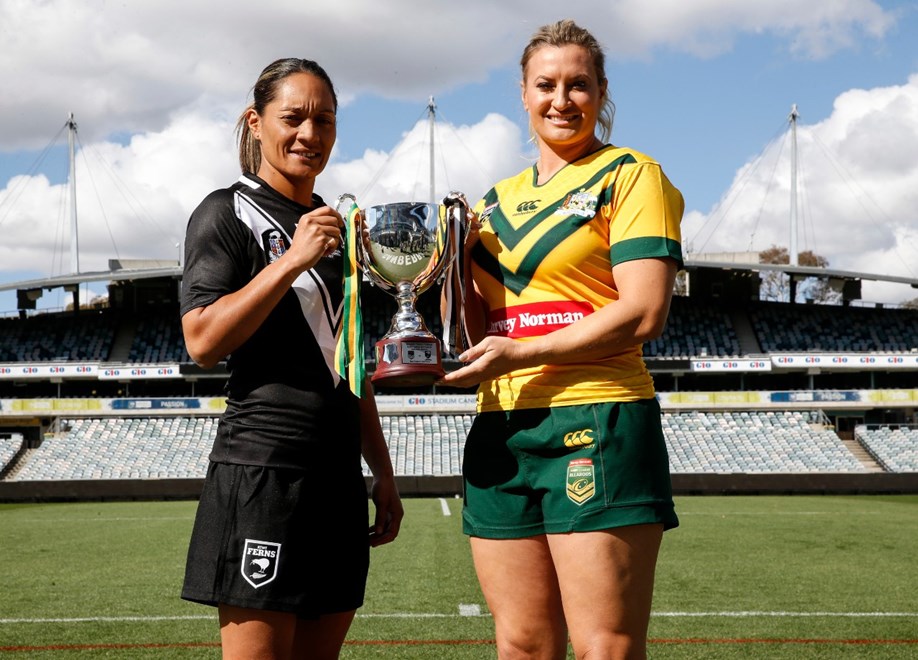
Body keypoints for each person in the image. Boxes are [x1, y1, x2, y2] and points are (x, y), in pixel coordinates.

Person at [439, 19, 684, 660]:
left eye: (579, 85)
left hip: (598, 415)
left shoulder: (630, 175)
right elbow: (474, 329)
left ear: (601, 92)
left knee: (605, 645)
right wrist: (451, 263)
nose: (561, 99)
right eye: (546, 84)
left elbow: (644, 311)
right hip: (500, 426)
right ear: (523, 94)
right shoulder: (493, 203)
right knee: (522, 644)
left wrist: (524, 353)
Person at [179, 58, 402, 660]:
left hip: (338, 483)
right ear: (256, 123)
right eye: (293, 118)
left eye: (324, 120)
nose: (309, 133)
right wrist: (291, 260)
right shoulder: (225, 212)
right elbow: (202, 341)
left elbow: (350, 364)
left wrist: (381, 472)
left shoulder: (339, 228)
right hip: (264, 474)